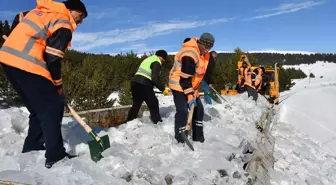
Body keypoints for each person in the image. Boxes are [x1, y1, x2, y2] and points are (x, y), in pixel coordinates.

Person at [0, 0, 88, 168]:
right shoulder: (63, 23)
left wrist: (13, 38)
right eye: (81, 16)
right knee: (53, 107)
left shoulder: (39, 12)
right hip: (27, 64)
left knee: (38, 109)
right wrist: (58, 86)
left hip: (7, 60)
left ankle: (32, 148)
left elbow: (18, 17)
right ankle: (56, 156)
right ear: (71, 9)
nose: (80, 21)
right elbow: (53, 58)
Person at [169, 32, 215, 143]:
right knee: (183, 110)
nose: (207, 50)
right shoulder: (190, 53)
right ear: (200, 43)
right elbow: (184, 78)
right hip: (178, 85)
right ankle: (180, 138)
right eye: (206, 47)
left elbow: (197, 76)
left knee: (199, 109)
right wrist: (189, 96)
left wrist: (194, 91)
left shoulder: (203, 54)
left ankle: (198, 137)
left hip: (191, 86)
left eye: (210, 48)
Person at [127, 50, 169, 124]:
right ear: (161, 57)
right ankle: (157, 123)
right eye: (163, 59)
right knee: (154, 103)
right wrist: (163, 89)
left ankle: (129, 122)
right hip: (144, 84)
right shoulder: (156, 62)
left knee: (136, 104)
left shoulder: (148, 59)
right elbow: (155, 78)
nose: (163, 61)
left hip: (135, 83)